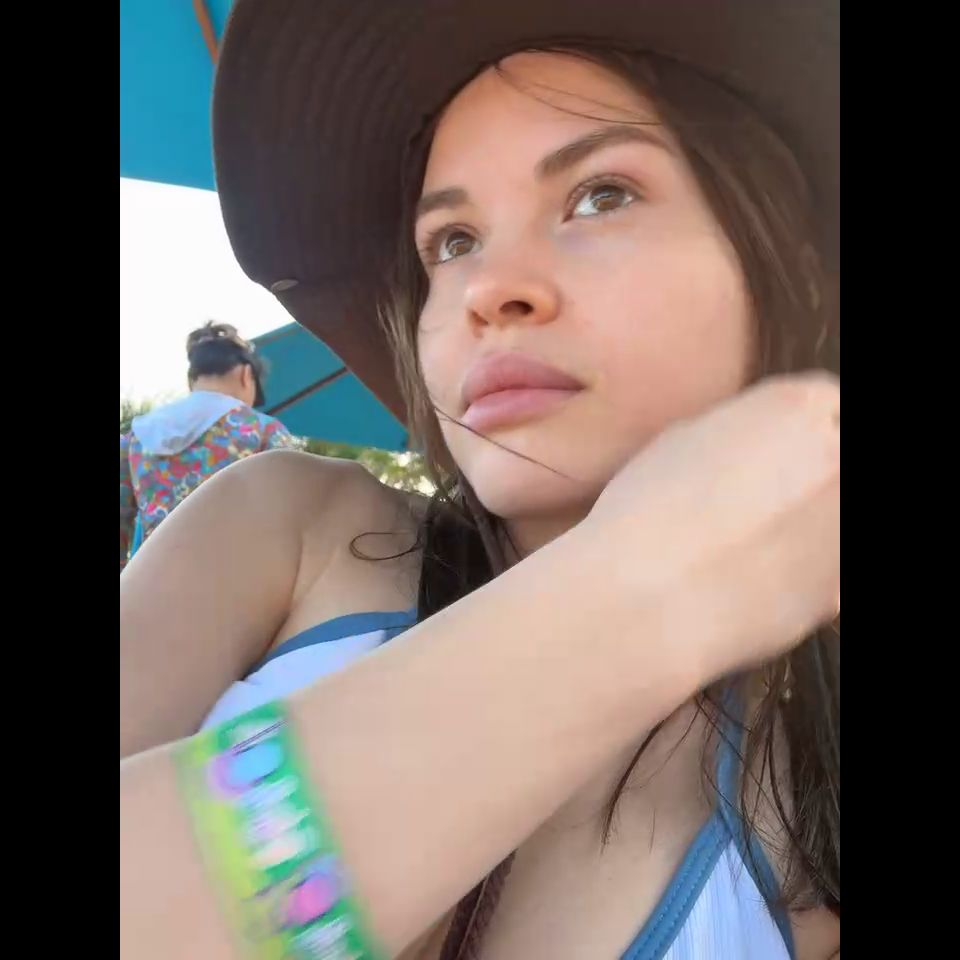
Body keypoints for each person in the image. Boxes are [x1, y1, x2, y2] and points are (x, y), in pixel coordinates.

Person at [120, 2, 840, 958]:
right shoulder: (282, 524)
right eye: (451, 242)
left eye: (602, 194)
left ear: (793, 268)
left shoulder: (807, 833)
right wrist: (641, 592)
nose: (488, 288)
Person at [120, 322, 295, 570]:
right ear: (246, 375)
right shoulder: (263, 431)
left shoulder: (135, 437)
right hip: (240, 581)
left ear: (192, 380)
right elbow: (290, 518)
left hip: (152, 580)